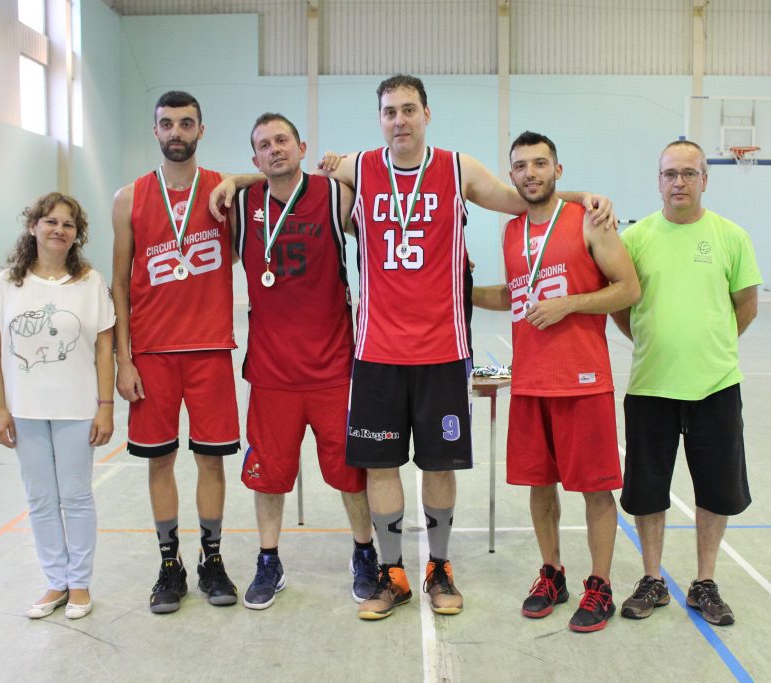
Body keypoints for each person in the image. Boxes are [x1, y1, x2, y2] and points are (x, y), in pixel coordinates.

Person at [215, 74, 615, 620]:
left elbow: (519, 196)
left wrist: (583, 196)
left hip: (444, 351)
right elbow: (286, 176)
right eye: (389, 112)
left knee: (438, 465)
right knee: (380, 468)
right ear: (379, 119)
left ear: (427, 114)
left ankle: (439, 568)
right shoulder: (357, 169)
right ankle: (392, 572)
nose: (399, 120)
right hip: (376, 352)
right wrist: (235, 179)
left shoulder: (458, 169)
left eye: (408, 110)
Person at [472, 132, 640, 632]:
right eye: (520, 166)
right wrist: (463, 291)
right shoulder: (510, 231)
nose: (530, 173)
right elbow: (514, 295)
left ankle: (601, 584)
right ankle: (552, 573)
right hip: (529, 381)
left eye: (540, 163)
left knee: (594, 489)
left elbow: (628, 288)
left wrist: (569, 304)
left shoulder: (589, 220)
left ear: (558, 170)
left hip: (582, 381)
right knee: (540, 485)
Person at [612, 140, 761, 627]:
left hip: (715, 387)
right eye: (670, 173)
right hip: (651, 386)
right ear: (658, 180)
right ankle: (652, 579)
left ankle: (704, 582)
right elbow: (619, 306)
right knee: (647, 490)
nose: (679, 182)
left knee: (715, 490)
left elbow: (746, 304)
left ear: (705, 179)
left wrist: (711, 346)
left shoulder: (731, 236)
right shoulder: (634, 240)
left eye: (689, 173)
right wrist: (656, 343)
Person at [232, 112, 378, 609]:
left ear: (301, 146)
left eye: (282, 140)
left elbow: (389, 214)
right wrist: (231, 180)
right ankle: (268, 561)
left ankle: (364, 552)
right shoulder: (241, 204)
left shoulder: (336, 195)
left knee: (349, 473)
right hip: (272, 373)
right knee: (269, 476)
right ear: (254, 159)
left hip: (334, 369)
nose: (275, 149)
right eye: (264, 145)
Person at [112, 91, 241, 614]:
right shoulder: (130, 198)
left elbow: (277, 177)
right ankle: (170, 563)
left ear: (201, 130)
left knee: (212, 462)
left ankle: (211, 559)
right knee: (159, 462)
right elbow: (118, 283)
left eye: (186, 123)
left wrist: (240, 179)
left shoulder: (225, 192)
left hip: (210, 349)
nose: (176, 133)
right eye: (167, 124)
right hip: (153, 353)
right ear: (155, 130)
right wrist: (124, 359)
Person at [0, 192, 115, 620]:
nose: (59, 230)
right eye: (51, 221)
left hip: (77, 409)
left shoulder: (90, 282)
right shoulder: (8, 283)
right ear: (32, 226)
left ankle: (79, 584)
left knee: (75, 497)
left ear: (78, 235)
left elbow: (103, 348)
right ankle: (55, 581)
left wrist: (105, 406)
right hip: (25, 410)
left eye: (68, 224)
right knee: (40, 499)